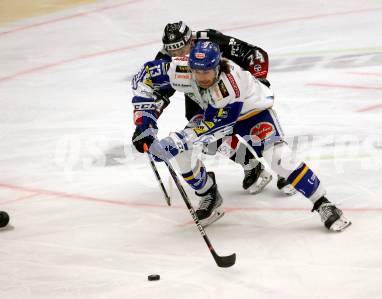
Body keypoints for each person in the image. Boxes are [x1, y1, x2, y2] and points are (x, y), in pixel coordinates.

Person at [147, 41, 351, 231]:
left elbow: (219, 125)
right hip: (214, 114)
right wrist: (143, 123)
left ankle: (323, 203)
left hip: (251, 113)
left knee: (279, 157)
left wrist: (178, 140)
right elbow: (145, 78)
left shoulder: (229, 84)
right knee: (184, 153)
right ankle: (209, 193)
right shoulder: (180, 69)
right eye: (197, 71)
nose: (202, 77)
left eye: (207, 71)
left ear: (217, 66)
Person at [133, 21, 294, 195]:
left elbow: (256, 54)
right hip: (200, 94)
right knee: (207, 137)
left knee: (256, 124)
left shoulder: (210, 40)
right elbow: (158, 93)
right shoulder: (166, 58)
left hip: (236, 90)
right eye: (173, 51)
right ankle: (250, 164)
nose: (178, 55)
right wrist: (144, 124)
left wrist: (259, 79)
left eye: (182, 50)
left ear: (191, 42)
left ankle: (282, 168)